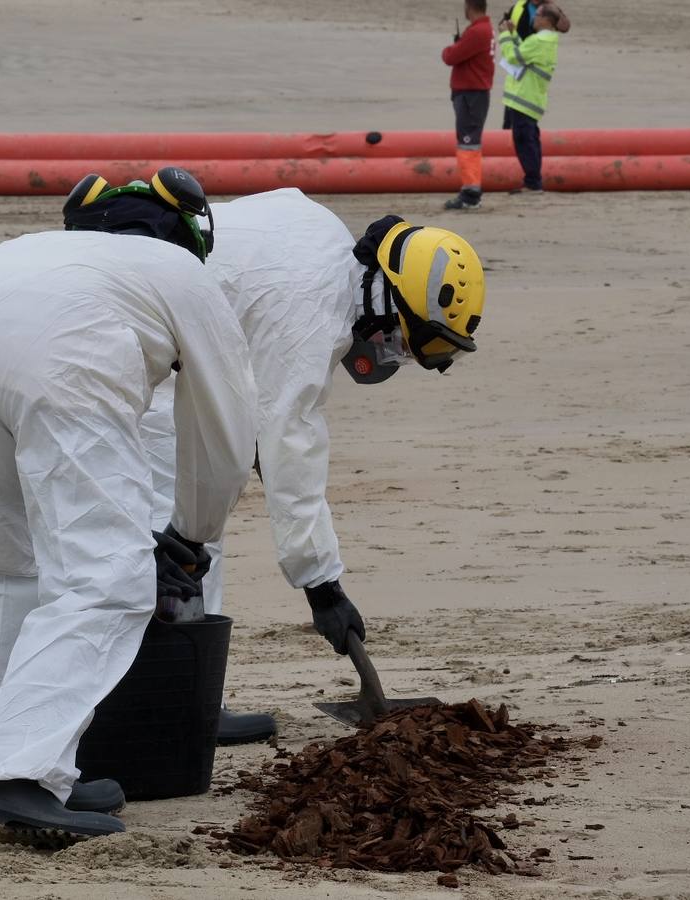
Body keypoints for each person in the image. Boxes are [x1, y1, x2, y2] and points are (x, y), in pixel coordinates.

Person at [0, 167, 258, 846]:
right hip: (65, 355)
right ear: (190, 233)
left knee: (6, 567)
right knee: (106, 579)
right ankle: (13, 775)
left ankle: (41, 766)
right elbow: (226, 427)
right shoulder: (182, 272)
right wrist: (192, 537)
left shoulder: (35, 249)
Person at [137, 189, 487, 744]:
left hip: (147, 342)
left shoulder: (320, 235)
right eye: (400, 339)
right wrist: (323, 587)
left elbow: (248, 344)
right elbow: (291, 447)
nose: (390, 352)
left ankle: (167, 701)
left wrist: (255, 434)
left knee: (180, 528)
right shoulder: (316, 310)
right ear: (388, 297)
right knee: (185, 535)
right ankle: (176, 710)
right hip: (134, 360)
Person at [498, 3, 560, 194]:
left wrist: (505, 35)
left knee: (525, 140)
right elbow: (524, 51)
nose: (534, 18)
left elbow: (513, 55)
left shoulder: (540, 41)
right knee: (529, 138)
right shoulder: (542, 40)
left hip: (525, 98)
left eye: (538, 15)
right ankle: (533, 179)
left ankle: (533, 182)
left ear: (547, 20)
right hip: (530, 98)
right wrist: (513, 34)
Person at [441, 0, 495, 211]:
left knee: (468, 143)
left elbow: (451, 56)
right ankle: (471, 190)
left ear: (469, 6)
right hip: (473, 94)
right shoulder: (483, 29)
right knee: (469, 142)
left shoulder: (477, 31)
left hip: (471, 95)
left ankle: (471, 193)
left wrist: (451, 48)